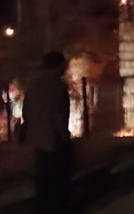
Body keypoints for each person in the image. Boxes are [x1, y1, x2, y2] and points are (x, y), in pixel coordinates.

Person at [21, 51, 72, 214]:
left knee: (41, 178)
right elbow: (60, 116)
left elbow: (26, 112)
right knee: (57, 181)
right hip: (53, 140)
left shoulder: (33, 85)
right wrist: (64, 136)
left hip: (37, 138)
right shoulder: (58, 86)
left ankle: (41, 208)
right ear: (59, 66)